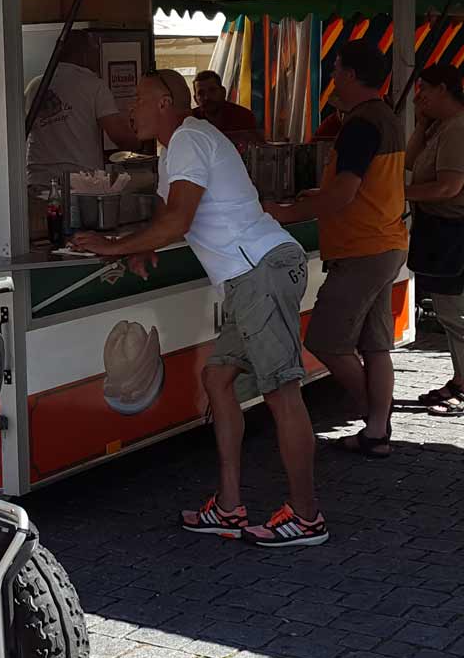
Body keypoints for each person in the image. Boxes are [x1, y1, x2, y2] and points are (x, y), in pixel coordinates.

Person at [73, 69, 326, 547]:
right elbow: (170, 219)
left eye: (140, 100)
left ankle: (307, 517)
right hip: (252, 273)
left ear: (166, 102)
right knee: (218, 378)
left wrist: (114, 246)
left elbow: (177, 221)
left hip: (259, 269)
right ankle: (229, 506)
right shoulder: (180, 147)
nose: (131, 111)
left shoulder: (188, 139)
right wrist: (139, 246)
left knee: (282, 392)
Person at [267, 39, 408, 458]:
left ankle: (373, 417)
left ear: (348, 74)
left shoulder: (362, 124)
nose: (332, 79)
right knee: (376, 344)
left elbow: (345, 193)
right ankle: (377, 430)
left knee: (327, 340)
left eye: (335, 71)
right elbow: (358, 186)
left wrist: (285, 213)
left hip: (362, 248)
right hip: (384, 241)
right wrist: (319, 194)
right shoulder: (384, 117)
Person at [404, 64, 464, 416]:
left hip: (454, 232)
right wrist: (423, 124)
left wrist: (397, 193)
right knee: (447, 311)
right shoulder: (441, 127)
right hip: (440, 232)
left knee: (455, 312)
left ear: (444, 88)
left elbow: (448, 187)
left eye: (424, 88)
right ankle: (459, 380)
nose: (420, 95)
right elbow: (409, 161)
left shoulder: (458, 129)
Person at [26, 30, 139, 184]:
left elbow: (21, 131)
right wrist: (140, 142)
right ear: (83, 54)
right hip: (80, 180)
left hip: (38, 178)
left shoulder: (35, 85)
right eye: (94, 50)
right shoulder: (93, 85)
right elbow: (119, 136)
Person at [193, 70, 264, 148]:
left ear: (223, 92)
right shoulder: (191, 121)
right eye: (201, 93)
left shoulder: (243, 117)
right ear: (195, 99)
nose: (206, 97)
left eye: (212, 90)